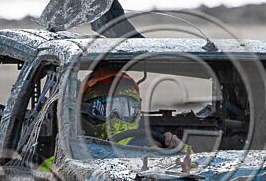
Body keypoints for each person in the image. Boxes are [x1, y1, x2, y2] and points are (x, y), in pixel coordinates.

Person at [38, 66, 181, 173]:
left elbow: (195, 170)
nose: (116, 117)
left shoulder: (156, 151)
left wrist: (177, 149)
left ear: (137, 111)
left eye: (125, 109)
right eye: (104, 109)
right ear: (84, 110)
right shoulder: (61, 163)